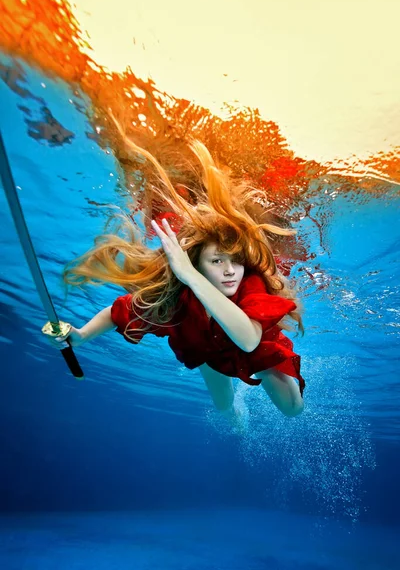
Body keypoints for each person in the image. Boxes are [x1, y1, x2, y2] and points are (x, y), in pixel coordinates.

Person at [45, 121, 305, 428]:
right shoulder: (177, 295)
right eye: (216, 261)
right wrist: (80, 335)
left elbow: (249, 340)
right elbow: (121, 310)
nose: (229, 271)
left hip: (254, 345)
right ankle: (237, 417)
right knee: (225, 409)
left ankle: (257, 372)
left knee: (292, 409)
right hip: (207, 350)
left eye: (235, 261)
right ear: (197, 263)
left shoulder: (249, 282)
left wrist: (191, 276)